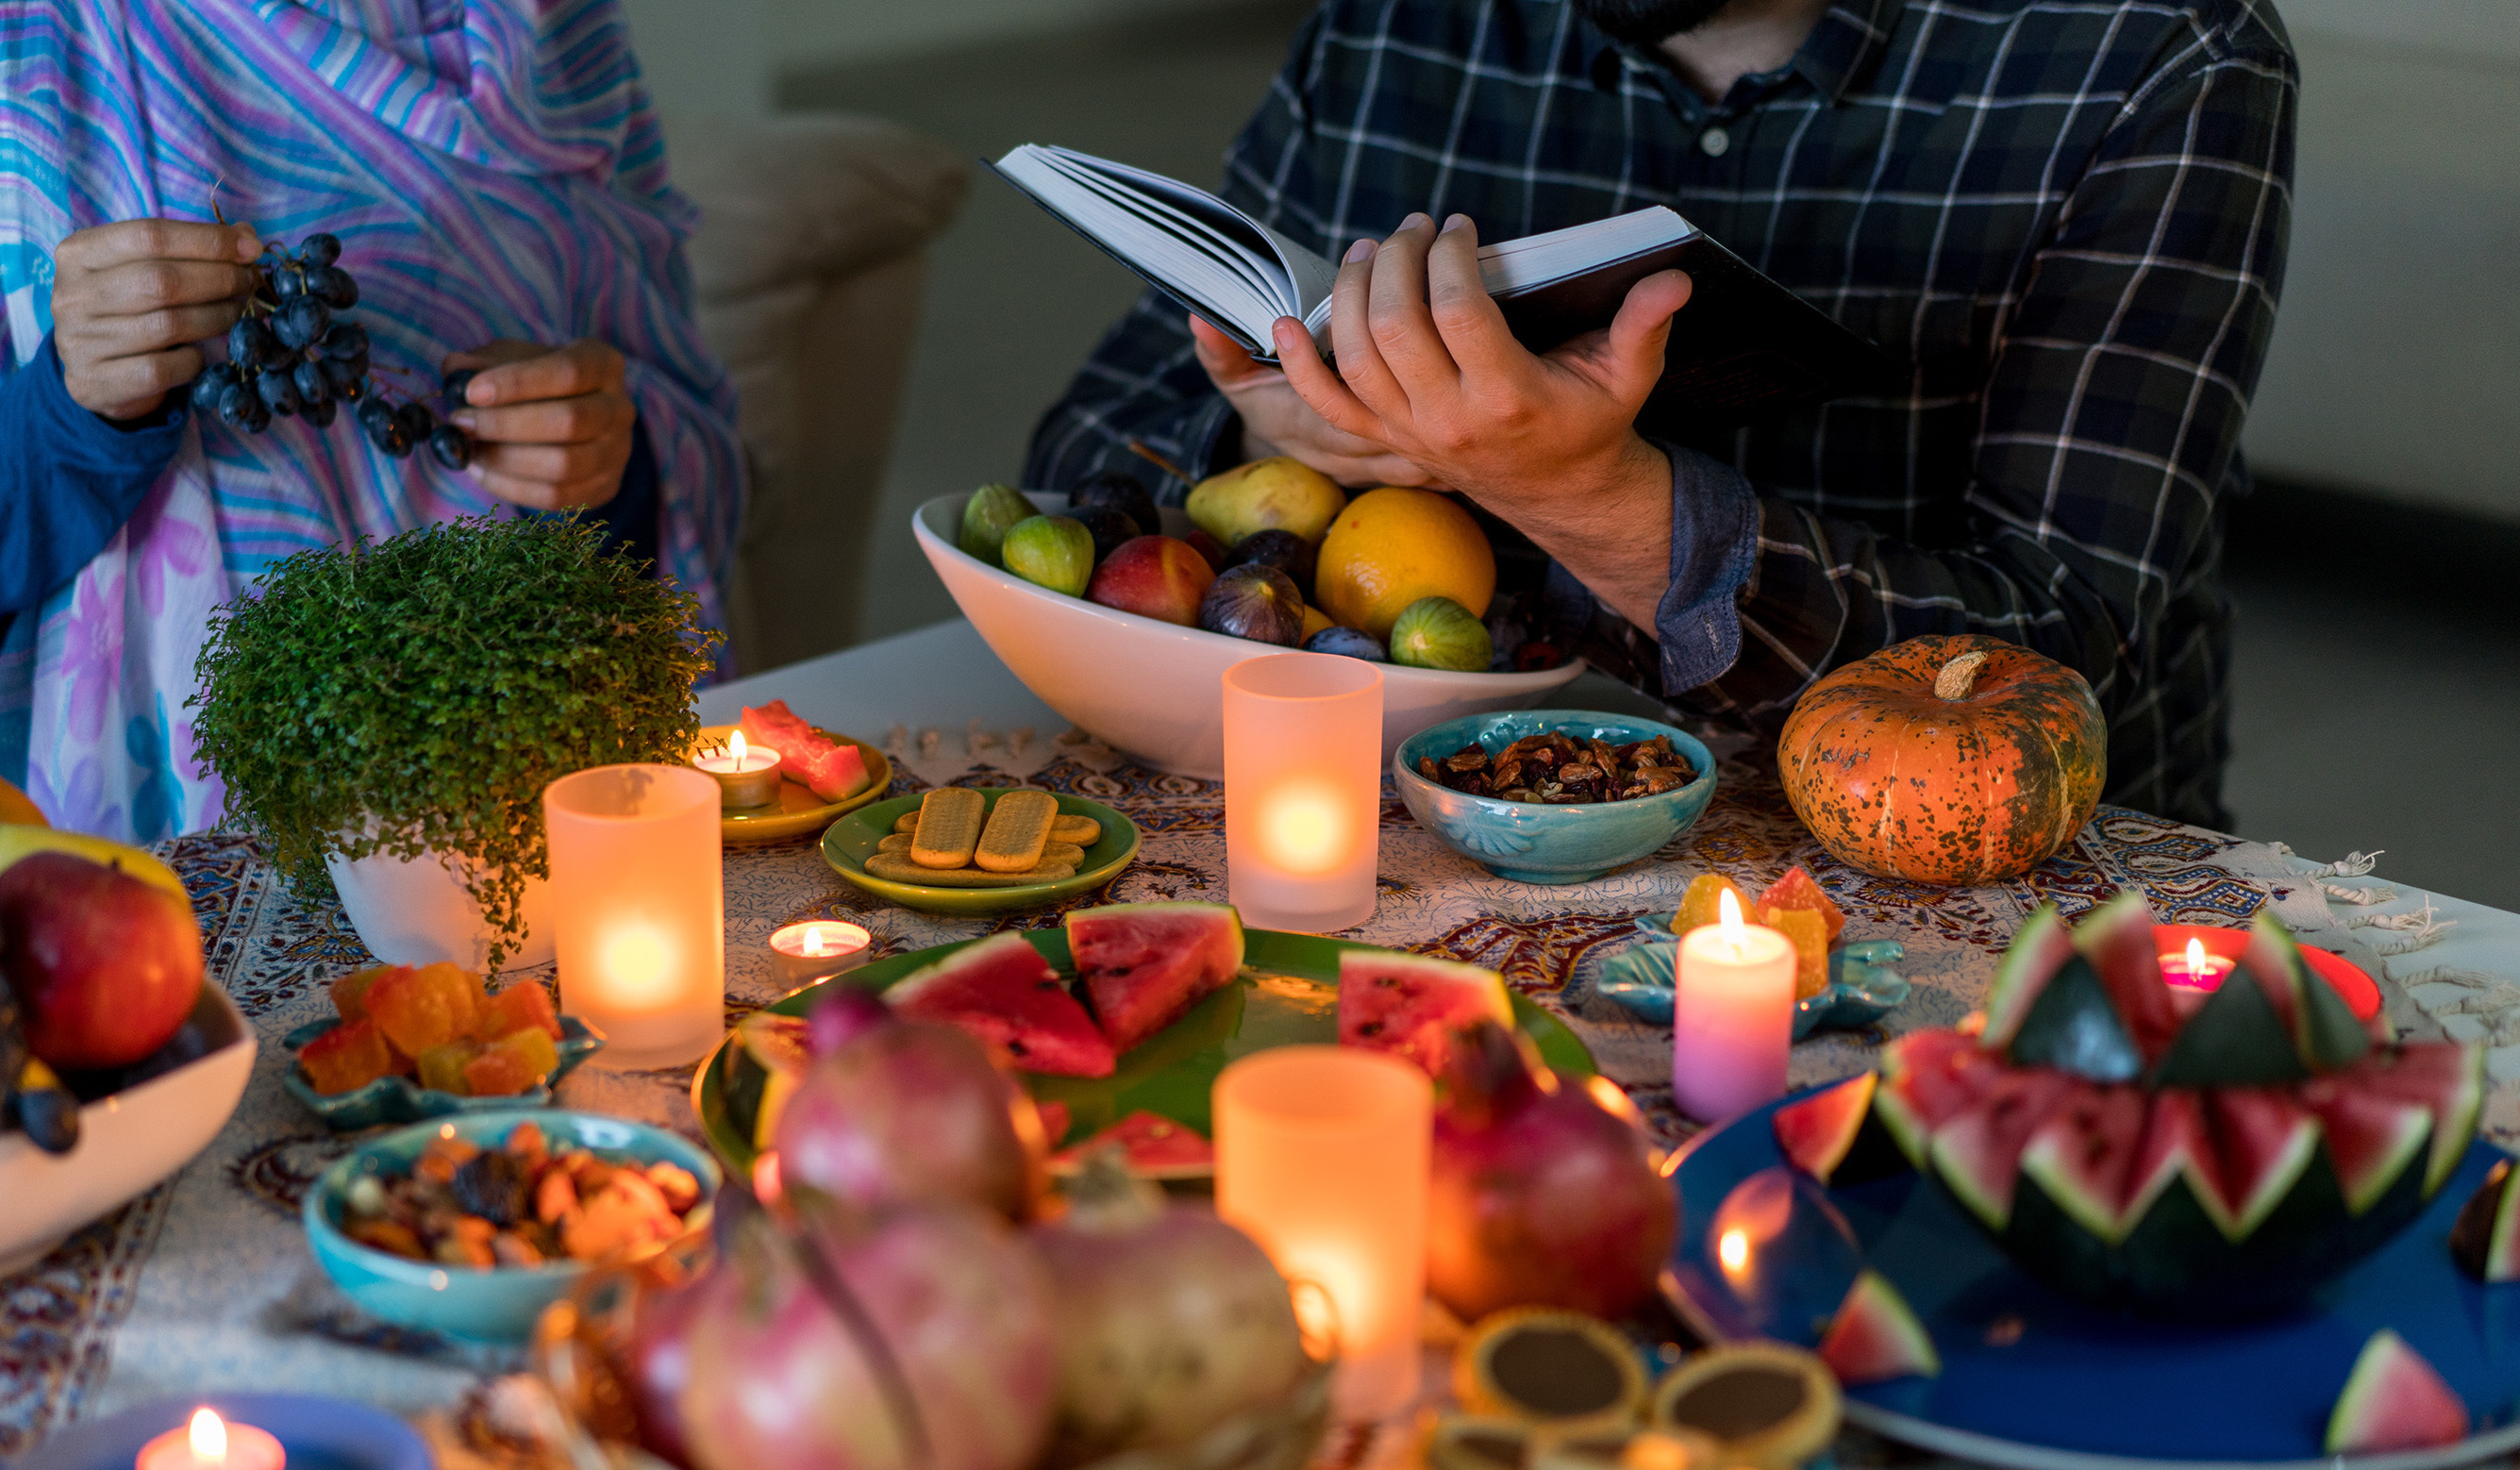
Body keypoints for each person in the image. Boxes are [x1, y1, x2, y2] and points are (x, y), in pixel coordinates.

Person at [1029, 0, 2296, 827]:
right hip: (1445, 810)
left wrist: (1590, 500)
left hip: (1932, 881)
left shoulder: (2154, 55)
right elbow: (1079, 456)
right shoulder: (1391, 30)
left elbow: (2053, 653)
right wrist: (1274, 445)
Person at [0, 0, 744, 840]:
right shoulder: (29, 46)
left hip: (527, 772)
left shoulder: (553, 27)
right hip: (156, 872)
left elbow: (683, 417)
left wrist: (609, 458)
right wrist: (70, 411)